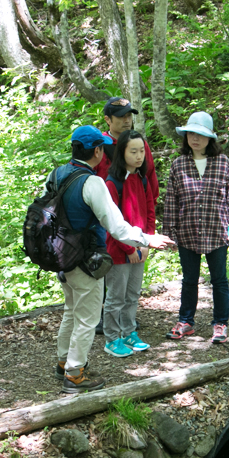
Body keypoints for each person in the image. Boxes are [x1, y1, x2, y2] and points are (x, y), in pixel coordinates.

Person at [54, 126, 174, 394]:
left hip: (61, 255)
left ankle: (63, 362)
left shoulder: (58, 174)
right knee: (86, 318)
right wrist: (148, 239)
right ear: (97, 151)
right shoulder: (92, 182)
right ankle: (74, 374)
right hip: (86, 259)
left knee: (71, 312)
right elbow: (117, 227)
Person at [161, 112, 229, 344]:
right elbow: (171, 201)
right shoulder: (178, 165)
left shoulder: (223, 163)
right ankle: (186, 321)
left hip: (216, 232)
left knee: (219, 280)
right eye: (191, 134)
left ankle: (220, 324)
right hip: (187, 232)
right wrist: (169, 232)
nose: (195, 139)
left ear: (210, 139)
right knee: (189, 280)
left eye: (200, 135)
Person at [95, 96, 159, 335]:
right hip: (103, 219)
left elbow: (149, 177)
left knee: (129, 283)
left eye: (129, 116)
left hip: (135, 220)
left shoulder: (138, 144)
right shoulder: (99, 144)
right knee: (106, 271)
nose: (126, 121)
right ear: (108, 120)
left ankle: (126, 324)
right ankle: (107, 321)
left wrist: (147, 235)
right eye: (120, 117)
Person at [102, 130, 157, 359]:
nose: (139, 156)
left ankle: (129, 331)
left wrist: (147, 242)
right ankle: (112, 338)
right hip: (119, 251)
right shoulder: (112, 183)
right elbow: (112, 223)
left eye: (142, 151)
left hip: (140, 248)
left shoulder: (142, 179)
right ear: (121, 152)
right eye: (133, 151)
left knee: (133, 294)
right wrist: (130, 248)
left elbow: (150, 210)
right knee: (115, 297)